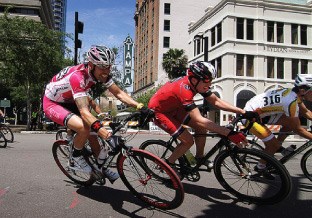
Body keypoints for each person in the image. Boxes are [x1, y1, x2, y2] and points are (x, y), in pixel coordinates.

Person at [43, 45, 146, 183]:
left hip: (70, 100)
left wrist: (140, 106)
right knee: (84, 128)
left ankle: (100, 168)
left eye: (109, 66)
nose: (106, 71)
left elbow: (119, 93)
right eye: (102, 67)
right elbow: (85, 112)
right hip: (53, 102)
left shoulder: (100, 74)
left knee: (94, 135)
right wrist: (108, 135)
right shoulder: (77, 77)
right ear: (91, 65)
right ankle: (76, 157)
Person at [148, 61, 258, 171]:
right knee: (188, 140)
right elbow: (199, 119)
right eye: (207, 81)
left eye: (211, 81)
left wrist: (243, 112)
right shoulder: (184, 90)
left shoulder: (198, 84)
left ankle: (199, 157)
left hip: (175, 107)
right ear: (195, 80)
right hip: (159, 111)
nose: (209, 84)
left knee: (201, 128)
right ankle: (168, 164)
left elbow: (216, 101)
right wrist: (227, 132)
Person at [244, 74, 312, 170]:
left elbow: (306, 112)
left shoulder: (295, 96)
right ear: (303, 90)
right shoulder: (290, 102)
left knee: (290, 123)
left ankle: (278, 147)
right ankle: (260, 167)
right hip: (250, 116)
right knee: (273, 144)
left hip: (264, 114)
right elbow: (298, 130)